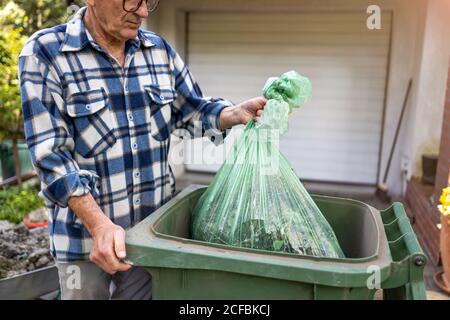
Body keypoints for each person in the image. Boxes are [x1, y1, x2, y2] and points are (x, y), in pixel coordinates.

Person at [18, 0, 266, 299]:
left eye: (149, 1)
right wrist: (99, 226)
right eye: (131, 0)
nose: (144, 12)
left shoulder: (159, 50)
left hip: (151, 240)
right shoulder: (46, 52)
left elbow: (191, 112)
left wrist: (235, 114)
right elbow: (51, 155)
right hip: (84, 245)